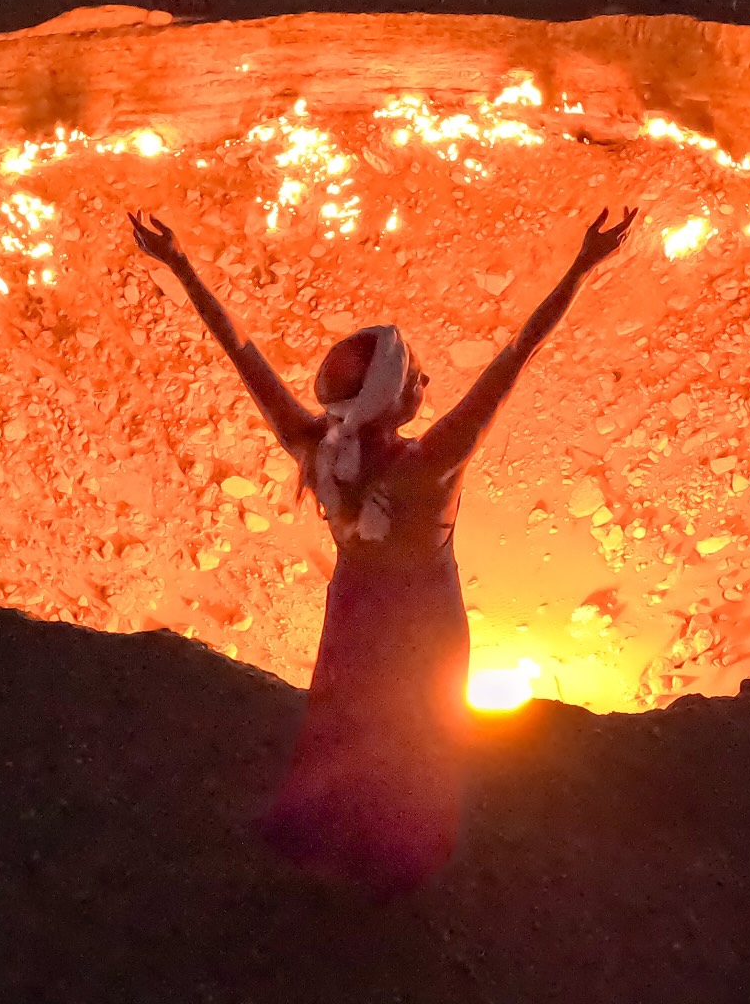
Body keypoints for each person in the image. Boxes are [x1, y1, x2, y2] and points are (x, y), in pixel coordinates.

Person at [127, 202, 637, 899]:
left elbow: (244, 357)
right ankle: (397, 866)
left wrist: (181, 265)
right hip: (423, 622)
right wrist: (580, 268)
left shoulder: (317, 447)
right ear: (395, 399)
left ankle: (330, 841)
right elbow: (515, 359)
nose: (426, 382)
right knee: (418, 739)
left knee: (347, 725)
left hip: (354, 611)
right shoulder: (432, 468)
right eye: (417, 376)